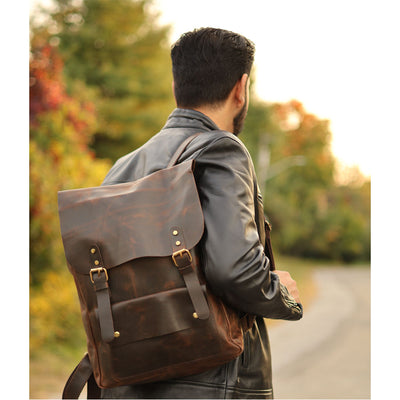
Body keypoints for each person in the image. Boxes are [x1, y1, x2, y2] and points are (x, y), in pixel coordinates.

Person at [100, 27, 302, 400]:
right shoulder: (222, 149)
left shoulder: (123, 167)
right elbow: (234, 268)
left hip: (127, 385)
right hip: (212, 386)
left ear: (176, 87)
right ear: (241, 89)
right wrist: (280, 293)